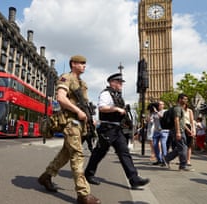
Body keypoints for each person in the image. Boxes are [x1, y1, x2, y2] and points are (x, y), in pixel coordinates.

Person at [38, 55, 101, 204]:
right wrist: (77, 111)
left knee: (65, 154)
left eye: (85, 63)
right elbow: (61, 98)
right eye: (81, 63)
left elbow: (84, 105)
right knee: (77, 155)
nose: (84, 66)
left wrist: (89, 117)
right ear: (73, 64)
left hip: (80, 124)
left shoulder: (82, 83)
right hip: (70, 123)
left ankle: (46, 176)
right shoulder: (66, 77)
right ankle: (83, 194)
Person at [84, 73, 150, 189]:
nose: (121, 85)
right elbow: (102, 107)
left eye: (121, 83)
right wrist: (116, 109)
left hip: (117, 128)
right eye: (119, 82)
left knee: (124, 152)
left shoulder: (117, 95)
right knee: (99, 152)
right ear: (112, 82)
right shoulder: (105, 94)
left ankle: (134, 179)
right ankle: (88, 174)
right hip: (107, 128)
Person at [162, 93, 194, 171]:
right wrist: (178, 132)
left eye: (186, 99)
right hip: (178, 130)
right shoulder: (177, 108)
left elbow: (182, 122)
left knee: (182, 147)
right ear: (180, 99)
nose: (186, 101)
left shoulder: (180, 109)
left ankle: (166, 158)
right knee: (183, 147)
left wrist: (188, 130)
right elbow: (176, 120)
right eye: (184, 99)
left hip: (181, 129)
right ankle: (183, 166)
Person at [151, 101, 169, 166]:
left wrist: (156, 112)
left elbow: (163, 117)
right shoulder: (154, 113)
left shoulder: (165, 111)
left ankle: (165, 160)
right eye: (159, 104)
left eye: (161, 104)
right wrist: (150, 112)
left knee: (163, 145)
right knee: (155, 145)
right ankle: (159, 160)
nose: (160, 105)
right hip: (156, 131)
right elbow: (150, 120)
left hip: (164, 131)